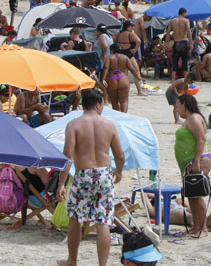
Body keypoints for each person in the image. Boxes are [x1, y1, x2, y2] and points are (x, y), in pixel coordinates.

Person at [56, 89, 124, 266]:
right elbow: (120, 156)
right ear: (99, 104)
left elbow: (67, 156)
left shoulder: (74, 125)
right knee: (103, 222)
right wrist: (119, 172)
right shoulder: (109, 125)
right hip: (103, 174)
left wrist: (61, 184)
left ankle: (72, 260)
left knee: (75, 218)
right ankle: (102, 264)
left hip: (83, 174)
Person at [173, 94, 211, 238]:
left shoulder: (194, 118)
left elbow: (201, 139)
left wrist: (196, 161)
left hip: (199, 159)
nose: (177, 110)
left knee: (197, 193)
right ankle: (196, 226)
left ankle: (203, 228)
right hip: (188, 161)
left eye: (178, 106)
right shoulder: (189, 119)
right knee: (191, 194)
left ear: (185, 104)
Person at [102, 44, 141, 113]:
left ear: (111, 50)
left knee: (114, 102)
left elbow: (106, 68)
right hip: (123, 78)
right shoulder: (125, 57)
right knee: (124, 101)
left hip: (112, 78)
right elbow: (131, 68)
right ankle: (124, 117)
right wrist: (138, 76)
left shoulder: (109, 57)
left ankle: (118, 117)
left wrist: (103, 79)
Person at [166, 8, 193, 82]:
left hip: (176, 42)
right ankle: (186, 79)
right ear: (184, 13)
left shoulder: (172, 21)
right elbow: (188, 32)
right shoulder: (186, 21)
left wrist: (167, 43)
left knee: (175, 61)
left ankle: (173, 79)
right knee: (185, 61)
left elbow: (168, 32)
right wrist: (191, 43)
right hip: (184, 42)